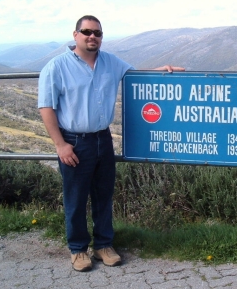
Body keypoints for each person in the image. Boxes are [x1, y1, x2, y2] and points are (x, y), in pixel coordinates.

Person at [38, 15, 184, 272]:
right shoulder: (57, 66)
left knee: (104, 195)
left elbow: (137, 76)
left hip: (103, 140)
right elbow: (46, 107)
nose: (92, 36)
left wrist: (164, 70)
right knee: (75, 198)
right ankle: (78, 249)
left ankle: (104, 245)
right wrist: (60, 145)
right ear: (75, 35)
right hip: (74, 141)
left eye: (97, 33)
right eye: (86, 31)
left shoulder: (110, 62)